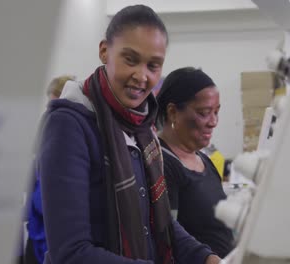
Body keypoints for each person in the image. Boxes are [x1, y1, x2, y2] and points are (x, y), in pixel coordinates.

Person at [37, 5, 220, 264]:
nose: (141, 76)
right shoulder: (70, 125)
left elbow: (161, 222)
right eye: (130, 59)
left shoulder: (143, 127)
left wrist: (206, 258)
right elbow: (70, 253)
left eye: (153, 66)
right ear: (104, 51)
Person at [156, 67, 234, 258]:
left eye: (216, 112)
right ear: (173, 112)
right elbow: (167, 240)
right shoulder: (163, 164)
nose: (213, 121)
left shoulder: (203, 158)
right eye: (204, 112)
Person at [24, 75, 76, 264]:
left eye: (54, 103)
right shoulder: (47, 125)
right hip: (37, 229)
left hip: (55, 234)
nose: (49, 109)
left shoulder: (74, 134)